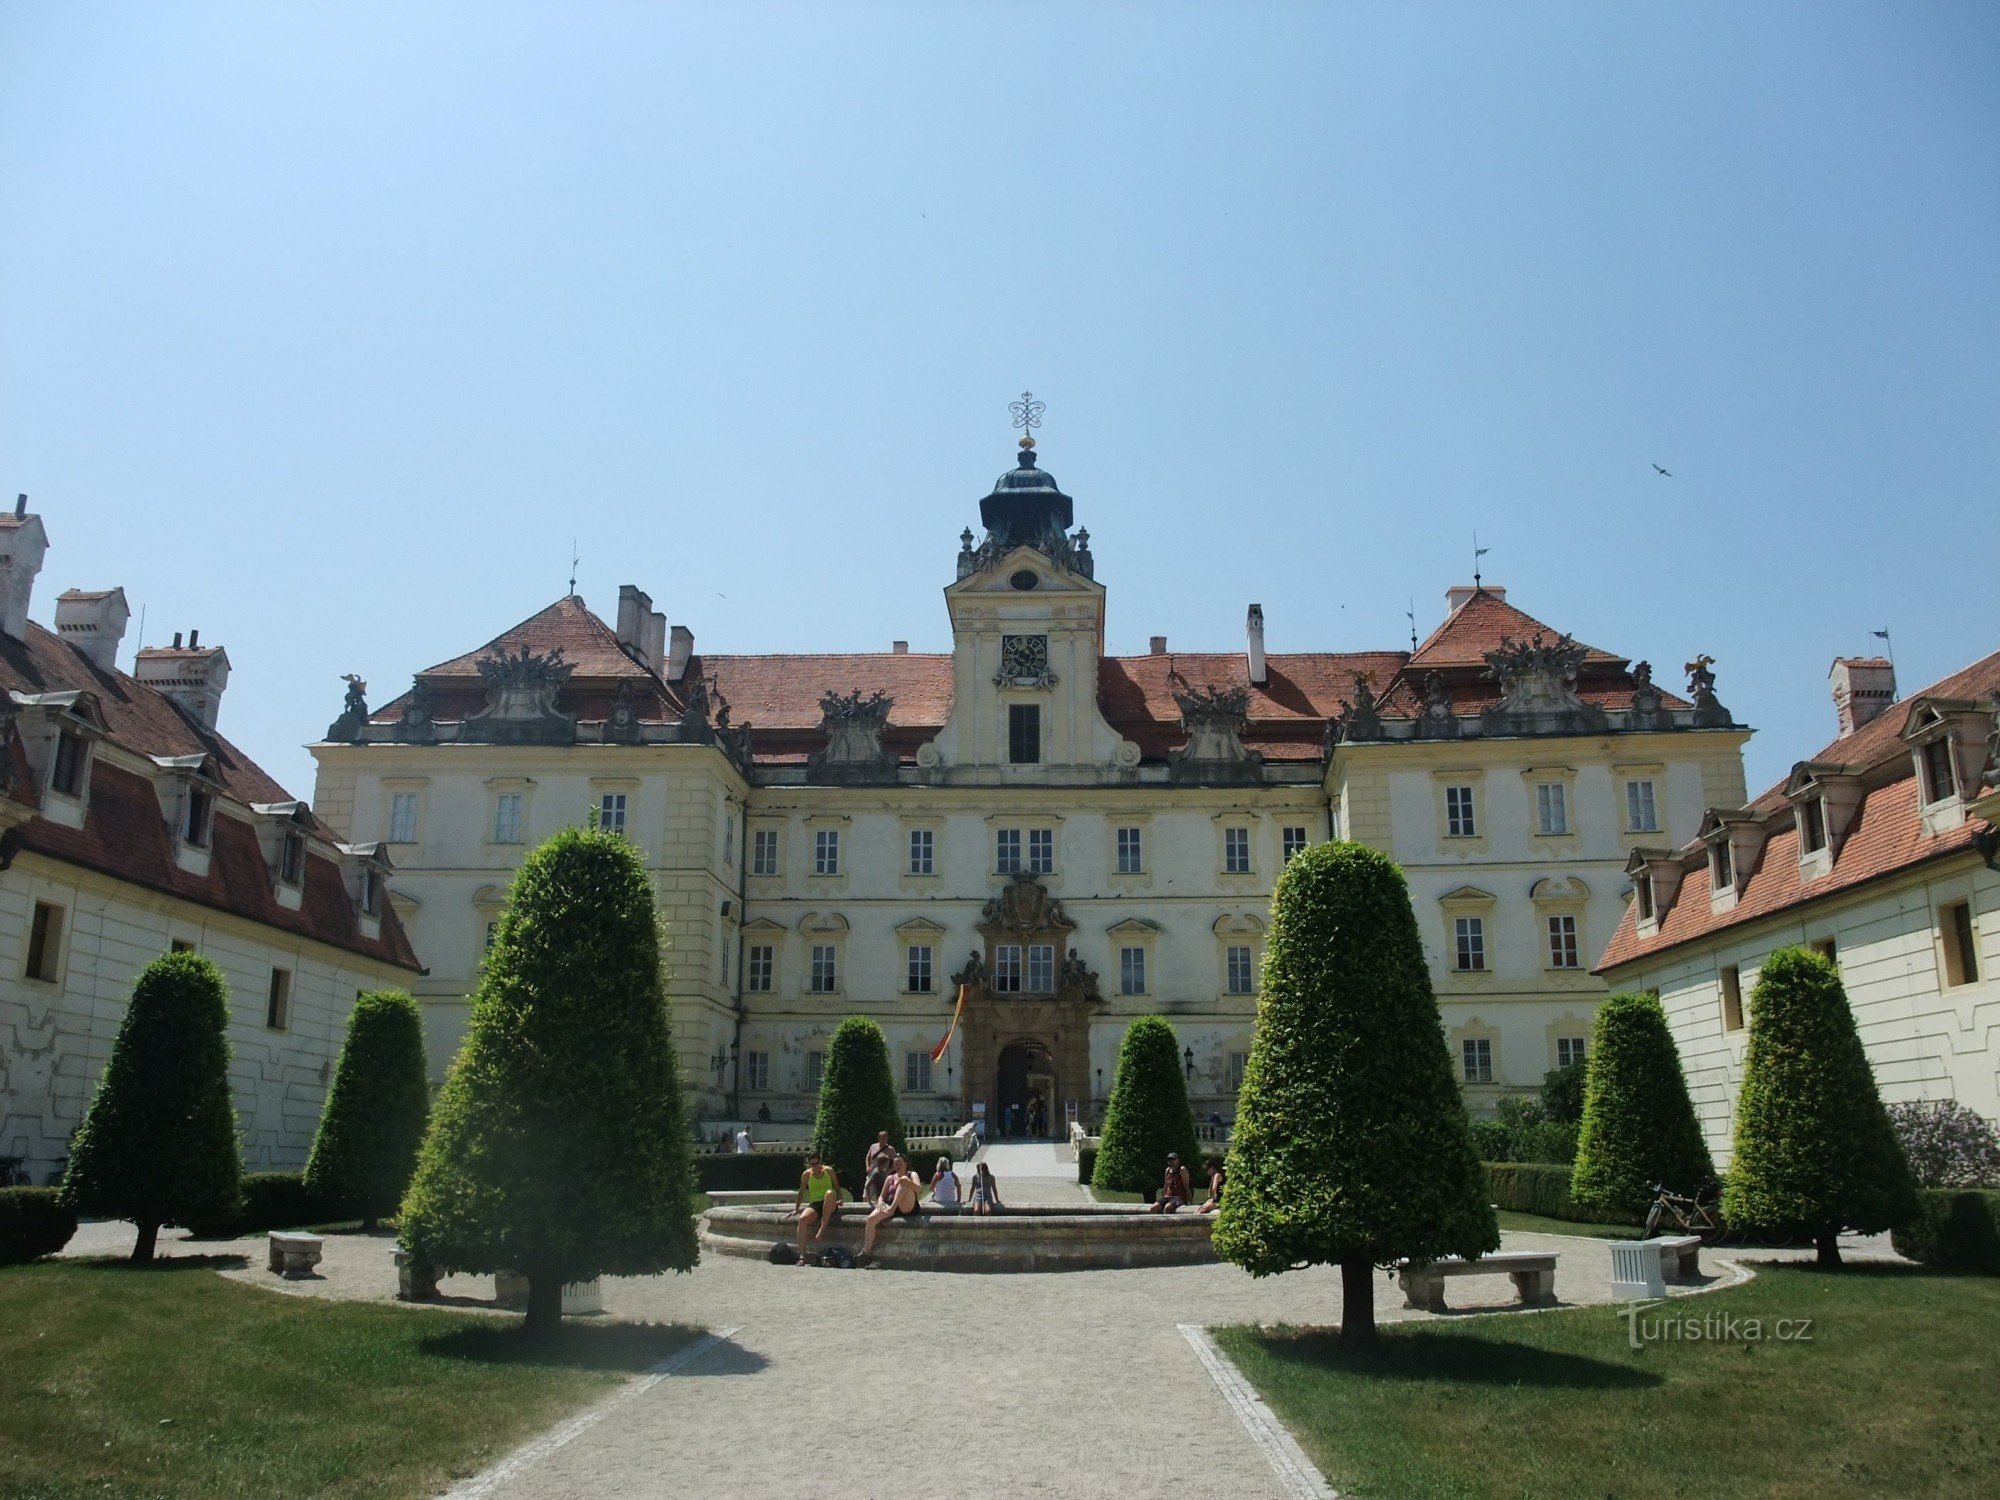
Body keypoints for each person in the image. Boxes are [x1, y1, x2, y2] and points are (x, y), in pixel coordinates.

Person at [860, 1154, 920, 1261]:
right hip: (891, 1205)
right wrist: (880, 1202)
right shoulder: (890, 1178)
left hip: (907, 1205)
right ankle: (866, 1251)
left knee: (904, 1179)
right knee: (871, 1219)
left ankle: (892, 1208)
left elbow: (919, 1189)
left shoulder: (912, 1174)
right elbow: (882, 1196)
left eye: (900, 1163)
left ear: (906, 1163)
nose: (898, 1166)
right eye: (896, 1164)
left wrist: (908, 1183)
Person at [790, 1152, 842, 1261]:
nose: (815, 1166)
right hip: (816, 1203)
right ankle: (802, 1255)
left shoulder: (829, 1171)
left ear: (820, 1162)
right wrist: (796, 1209)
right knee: (802, 1219)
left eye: (817, 1163)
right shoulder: (806, 1174)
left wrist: (840, 1198)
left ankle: (821, 1231)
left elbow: (837, 1187)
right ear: (809, 1164)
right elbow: (801, 1192)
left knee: (829, 1193)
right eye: (812, 1164)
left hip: (830, 1201)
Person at [862, 1131, 895, 1204]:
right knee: (865, 1196)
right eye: (882, 1139)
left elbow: (895, 1163)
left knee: (881, 1196)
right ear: (878, 1138)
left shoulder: (890, 1149)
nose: (884, 1141)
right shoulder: (873, 1146)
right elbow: (868, 1157)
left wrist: (888, 1171)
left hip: (883, 1175)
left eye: (885, 1139)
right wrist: (867, 1167)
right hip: (872, 1173)